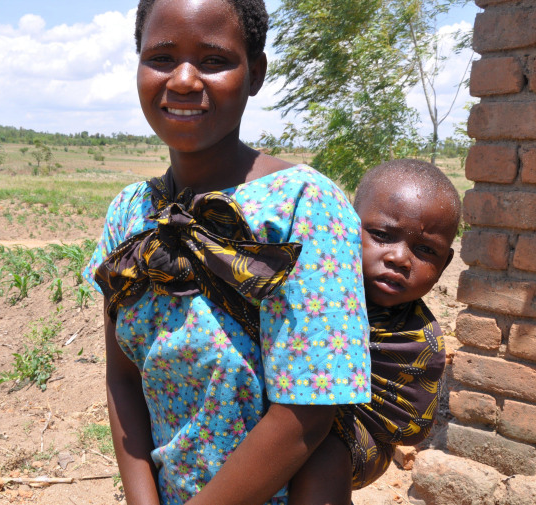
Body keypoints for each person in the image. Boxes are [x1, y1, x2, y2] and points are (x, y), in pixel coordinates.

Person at [82, 0, 370, 504]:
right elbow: (122, 377)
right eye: (162, 58)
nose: (185, 80)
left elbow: (308, 410)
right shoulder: (129, 213)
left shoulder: (305, 206)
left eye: (214, 60)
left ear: (255, 72)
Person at [289, 158, 461, 505]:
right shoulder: (309, 280)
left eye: (426, 250)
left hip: (358, 445)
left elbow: (408, 426)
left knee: (322, 460)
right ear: (345, 225)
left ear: (444, 265)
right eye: (382, 236)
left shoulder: (414, 338)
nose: (399, 258)